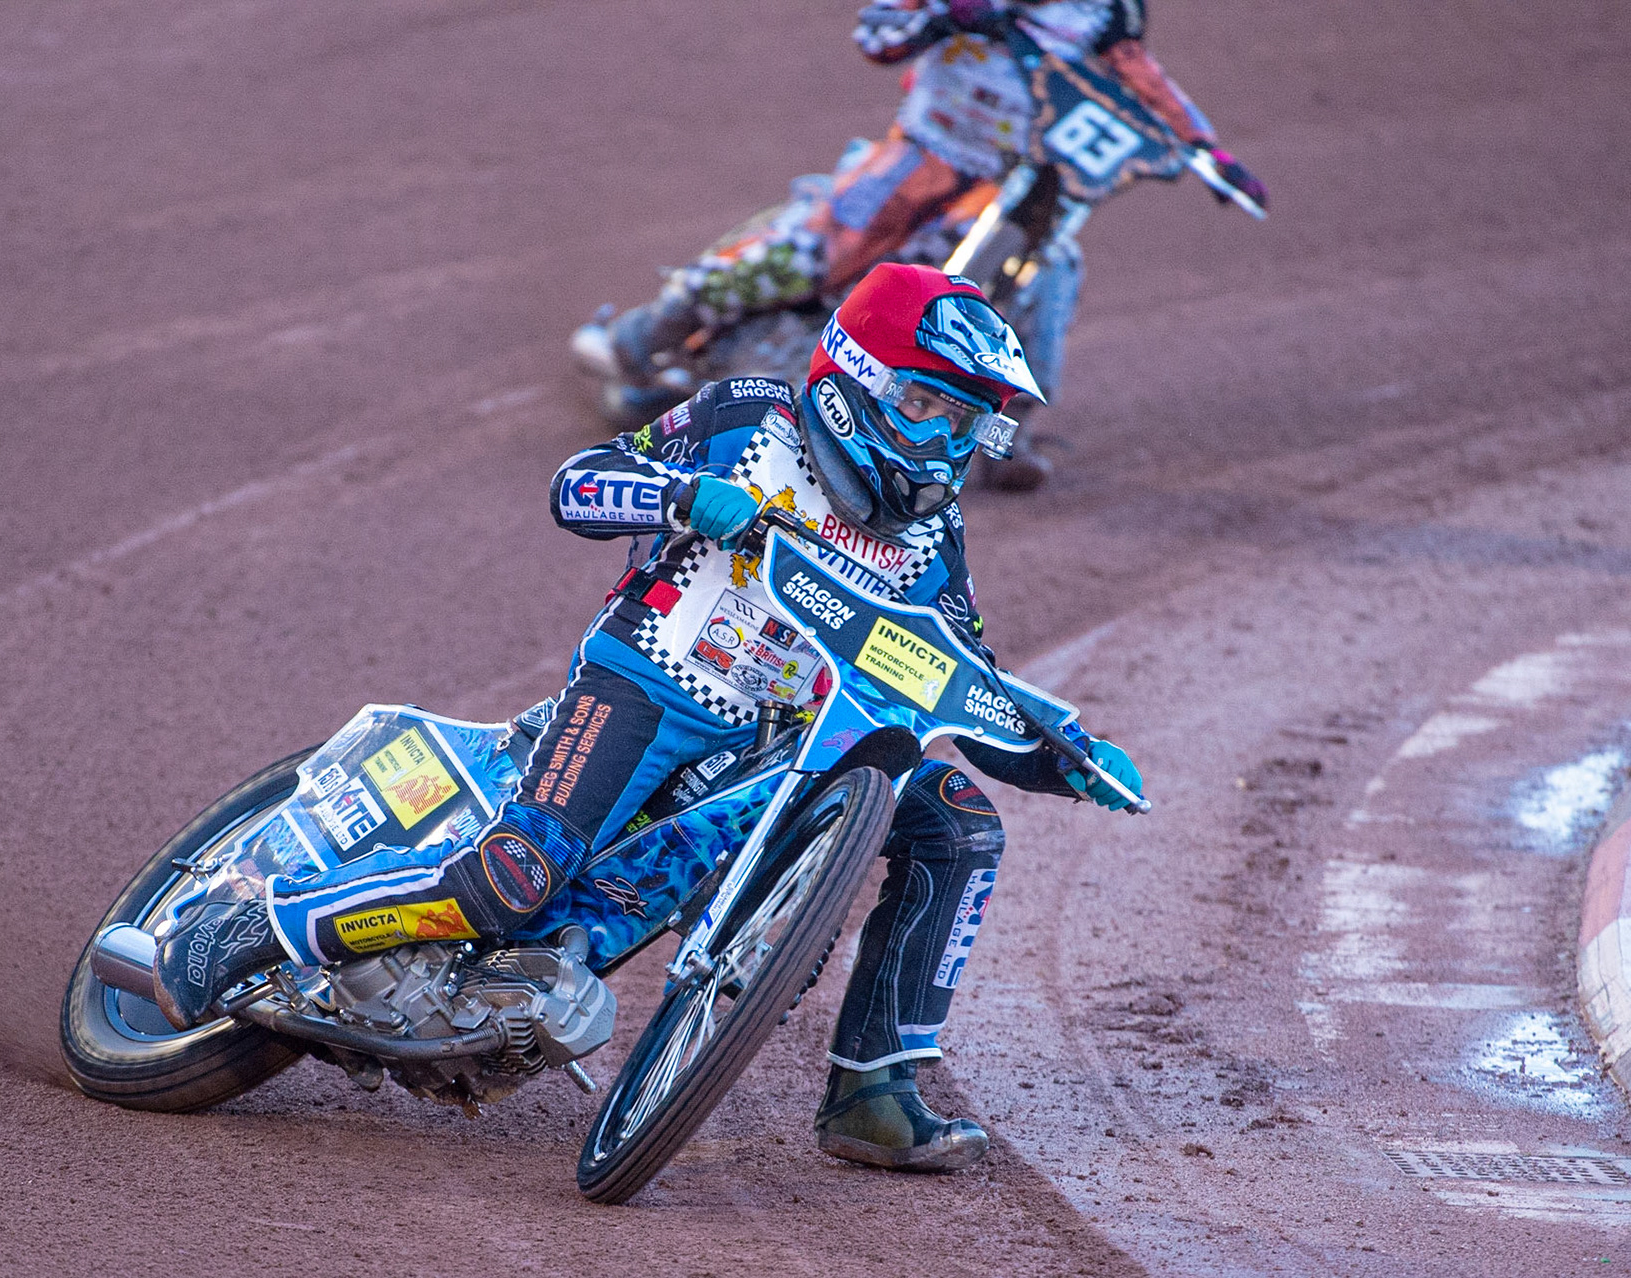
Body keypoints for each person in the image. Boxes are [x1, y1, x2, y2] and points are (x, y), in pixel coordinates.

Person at [154, 264, 1144, 1172]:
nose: (943, 441)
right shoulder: (754, 419)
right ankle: (252, 933)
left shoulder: (935, 535)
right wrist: (679, 493)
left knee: (959, 820)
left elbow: (965, 672)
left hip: (787, 742)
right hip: (647, 684)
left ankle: (873, 1092)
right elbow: (578, 485)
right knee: (512, 881)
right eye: (926, 404)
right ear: (855, 380)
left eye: (966, 422)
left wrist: (1061, 750)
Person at [572, 0, 1267, 490]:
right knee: (811, 253)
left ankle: (1007, 432)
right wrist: (940, 15)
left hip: (1014, 181)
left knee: (1047, 271)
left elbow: (1143, 76)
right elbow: (876, 36)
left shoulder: (1104, 9)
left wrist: (1211, 152)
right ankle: (643, 344)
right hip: (921, 157)